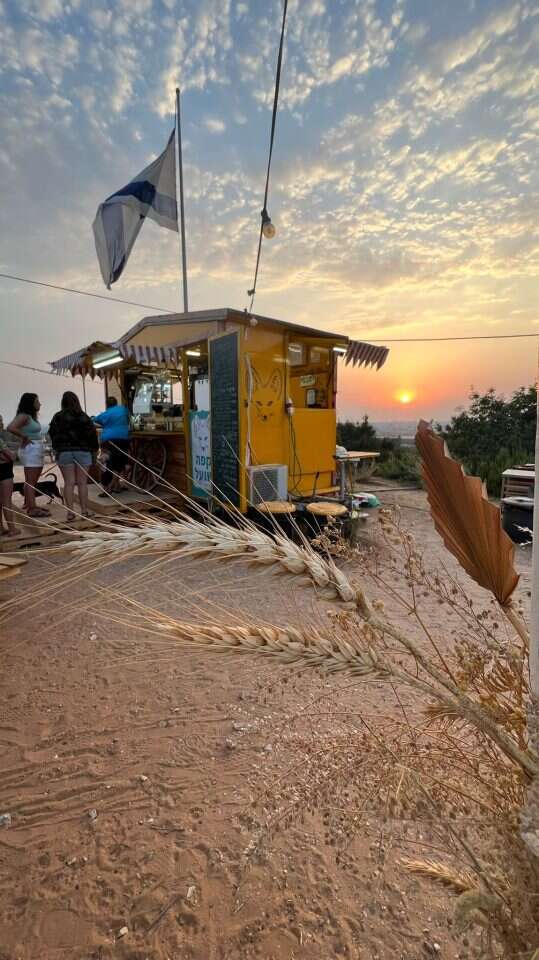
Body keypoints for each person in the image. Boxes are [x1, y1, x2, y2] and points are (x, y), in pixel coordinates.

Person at [49, 391, 98, 522]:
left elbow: (52, 434)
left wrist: (57, 449)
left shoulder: (57, 417)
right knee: (82, 483)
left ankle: (70, 513)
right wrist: (94, 453)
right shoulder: (84, 417)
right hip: (83, 451)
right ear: (77, 401)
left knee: (69, 483)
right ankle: (84, 511)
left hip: (64, 452)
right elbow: (92, 436)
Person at [8, 393, 49, 518]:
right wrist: (24, 437)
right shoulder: (24, 416)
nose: (39, 403)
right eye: (37, 401)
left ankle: (30, 503)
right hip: (31, 449)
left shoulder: (30, 416)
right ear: (30, 403)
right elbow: (11, 427)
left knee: (32, 480)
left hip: (34, 449)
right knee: (31, 481)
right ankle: (32, 509)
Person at [93, 396, 131, 495]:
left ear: (107, 405)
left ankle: (108, 488)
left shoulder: (105, 414)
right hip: (123, 439)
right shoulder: (123, 409)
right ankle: (116, 486)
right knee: (118, 464)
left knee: (106, 464)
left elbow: (95, 420)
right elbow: (129, 419)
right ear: (116, 403)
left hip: (108, 441)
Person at [0, 430, 19, 538]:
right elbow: (11, 457)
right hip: (4, 471)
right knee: (7, 501)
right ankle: (12, 529)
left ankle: (1, 528)